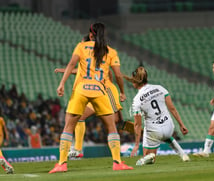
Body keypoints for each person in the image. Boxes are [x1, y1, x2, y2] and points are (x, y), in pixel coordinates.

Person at [49, 22, 133, 173]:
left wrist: (62, 83)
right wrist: (122, 91)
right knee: (112, 126)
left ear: (90, 35)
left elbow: (71, 64)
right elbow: (118, 75)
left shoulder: (81, 46)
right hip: (100, 90)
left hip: (81, 90)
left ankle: (62, 163)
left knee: (69, 126)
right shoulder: (110, 51)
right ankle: (117, 162)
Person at [123, 66, 190, 166]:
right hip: (169, 128)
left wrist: (136, 144)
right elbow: (172, 108)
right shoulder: (160, 88)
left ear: (134, 82)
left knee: (149, 158)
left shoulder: (137, 100)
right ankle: (183, 154)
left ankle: (147, 157)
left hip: (154, 132)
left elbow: (137, 124)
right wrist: (181, 125)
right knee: (166, 136)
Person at [0, 109, 14, 174]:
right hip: (1, 136)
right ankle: (8, 167)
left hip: (0, 136)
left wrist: (6, 137)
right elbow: (4, 129)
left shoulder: (1, 119)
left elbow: (4, 129)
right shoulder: (1, 119)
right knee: (0, 154)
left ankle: (7, 167)